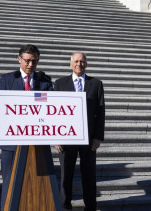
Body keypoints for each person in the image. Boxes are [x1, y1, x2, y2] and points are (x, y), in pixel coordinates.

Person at [0, 44, 53, 206]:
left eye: (33, 62)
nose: (30, 65)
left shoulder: (45, 81)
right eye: (26, 61)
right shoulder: (7, 79)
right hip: (11, 143)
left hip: (37, 142)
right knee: (9, 183)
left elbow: (51, 106)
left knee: (37, 185)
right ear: (19, 59)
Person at [54, 52, 105, 211]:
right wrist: (56, 136)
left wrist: (97, 137)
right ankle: (65, 205)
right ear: (70, 64)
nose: (79, 64)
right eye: (76, 61)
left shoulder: (96, 84)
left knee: (89, 175)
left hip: (88, 138)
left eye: (82, 62)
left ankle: (90, 206)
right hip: (66, 138)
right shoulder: (60, 83)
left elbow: (100, 111)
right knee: (66, 176)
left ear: (86, 64)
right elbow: (54, 111)